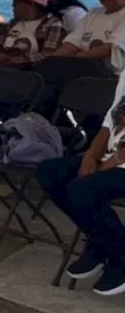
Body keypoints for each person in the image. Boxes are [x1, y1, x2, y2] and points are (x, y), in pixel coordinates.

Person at [36, 73, 125, 296]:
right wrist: (92, 155)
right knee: (51, 172)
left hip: (120, 160)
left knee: (82, 189)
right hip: (114, 155)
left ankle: (120, 253)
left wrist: (109, 164)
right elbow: (110, 119)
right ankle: (100, 238)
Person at [0, 0, 66, 69]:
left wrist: (12, 60)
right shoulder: (14, 22)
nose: (12, 5)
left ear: (31, 5)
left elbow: (48, 55)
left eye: (16, 2)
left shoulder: (52, 24)